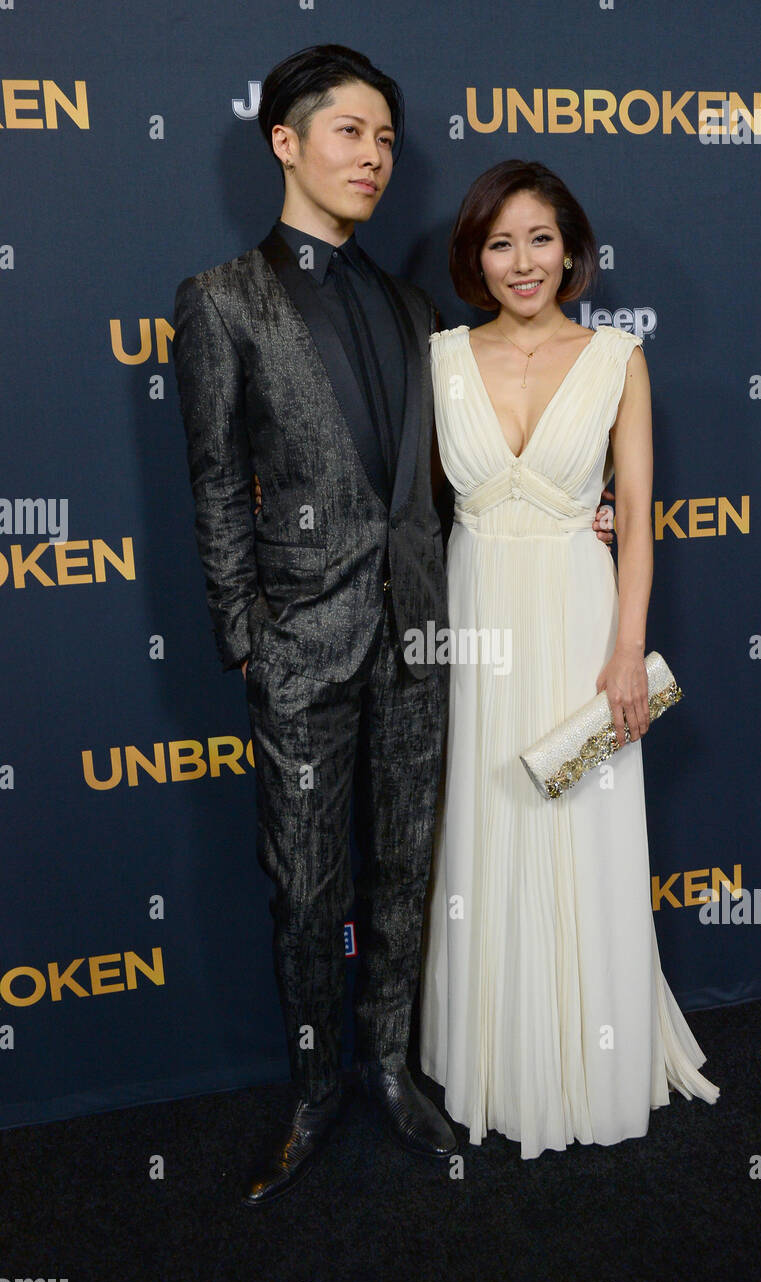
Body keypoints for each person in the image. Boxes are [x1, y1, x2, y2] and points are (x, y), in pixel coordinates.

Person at [172, 44, 461, 1206]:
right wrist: (247, 634)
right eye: (351, 133)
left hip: (418, 639)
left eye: (387, 140)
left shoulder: (412, 305)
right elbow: (209, 479)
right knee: (306, 888)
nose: (375, 158)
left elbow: (435, 486)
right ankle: (313, 1088)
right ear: (285, 142)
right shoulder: (220, 300)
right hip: (300, 645)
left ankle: (388, 1068)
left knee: (404, 869)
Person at [419, 160, 720, 1159]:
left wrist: (628, 650)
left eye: (540, 238)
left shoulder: (616, 358)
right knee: (485, 822)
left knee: (578, 820)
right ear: (475, 255)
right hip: (473, 618)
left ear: (571, 247)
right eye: (499, 242)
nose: (522, 262)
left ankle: (589, 1061)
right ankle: (492, 1058)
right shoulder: (441, 358)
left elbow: (634, 520)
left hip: (583, 620)